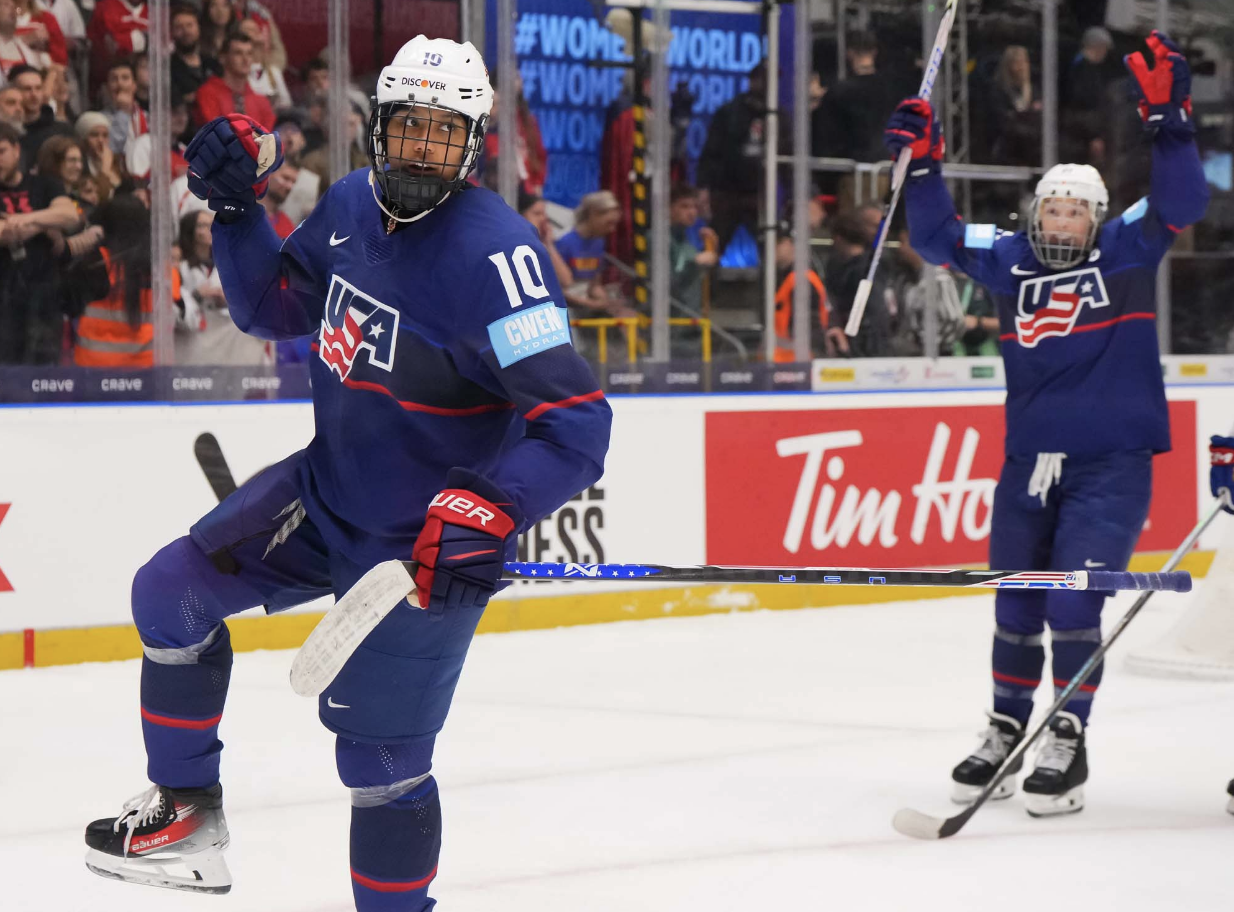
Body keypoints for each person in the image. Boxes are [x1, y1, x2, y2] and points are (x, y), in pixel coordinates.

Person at [82, 35, 612, 910]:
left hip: (418, 553)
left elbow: (575, 424)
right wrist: (239, 210)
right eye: (408, 127)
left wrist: (492, 506)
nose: (420, 150)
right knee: (168, 593)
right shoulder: (352, 204)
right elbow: (270, 307)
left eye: (445, 135)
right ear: (380, 127)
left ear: (475, 144)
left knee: (382, 766)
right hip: (326, 498)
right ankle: (186, 813)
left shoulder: (499, 264)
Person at [884, 32, 1209, 817]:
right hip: (1027, 463)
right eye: (1052, 209)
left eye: (1075, 212)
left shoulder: (1128, 250)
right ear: (1034, 213)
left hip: (1112, 464)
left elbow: (1184, 203)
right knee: (1015, 604)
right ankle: (1004, 726)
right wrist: (923, 166)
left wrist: (1171, 122)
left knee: (1073, 603)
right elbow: (933, 237)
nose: (1061, 223)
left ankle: (1068, 736)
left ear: (1098, 218)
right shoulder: (1007, 260)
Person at [0, 119, 81, 364]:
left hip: (44, 296)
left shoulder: (44, 184)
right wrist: (45, 224)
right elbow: (4, 233)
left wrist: (24, 220)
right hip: (4, 297)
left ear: (16, 150)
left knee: (45, 372)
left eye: (1, 151)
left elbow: (69, 216)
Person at [193, 31, 274, 132]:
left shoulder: (262, 101)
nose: (245, 59)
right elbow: (215, 132)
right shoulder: (208, 93)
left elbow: (267, 140)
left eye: (249, 54)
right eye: (238, 53)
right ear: (223, 58)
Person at [9, 63, 72, 167]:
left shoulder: (63, 131)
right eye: (27, 89)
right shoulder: (9, 135)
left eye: (38, 88)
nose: (34, 94)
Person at [170, 2, 219, 110]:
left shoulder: (212, 64)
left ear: (198, 28)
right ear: (172, 32)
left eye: (189, 25)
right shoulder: (168, 67)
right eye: (179, 27)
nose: (186, 31)